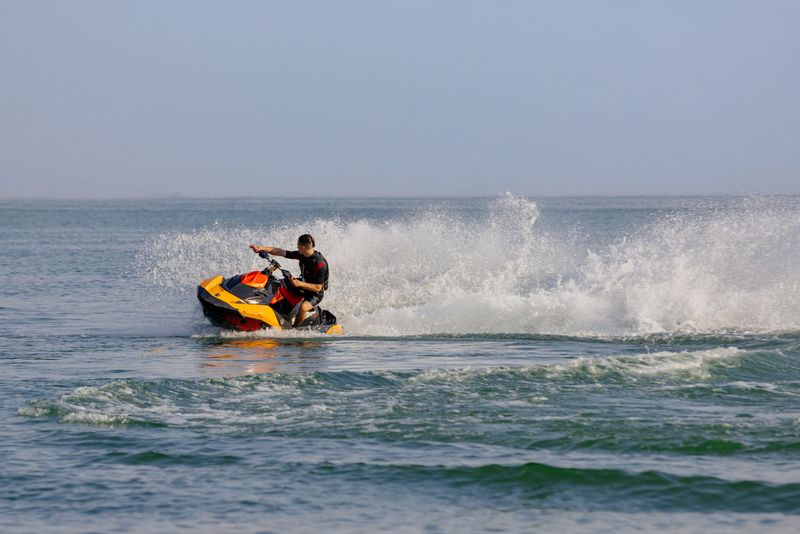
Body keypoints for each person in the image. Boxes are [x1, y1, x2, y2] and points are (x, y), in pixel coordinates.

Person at [249, 234, 329, 326]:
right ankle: (274, 311)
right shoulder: (303, 254)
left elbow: (318, 287)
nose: (296, 246)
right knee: (278, 284)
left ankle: (296, 328)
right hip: (302, 283)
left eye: (298, 244)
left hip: (315, 293)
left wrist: (299, 283)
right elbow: (281, 252)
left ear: (302, 247)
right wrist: (261, 248)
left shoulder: (319, 263)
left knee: (303, 308)